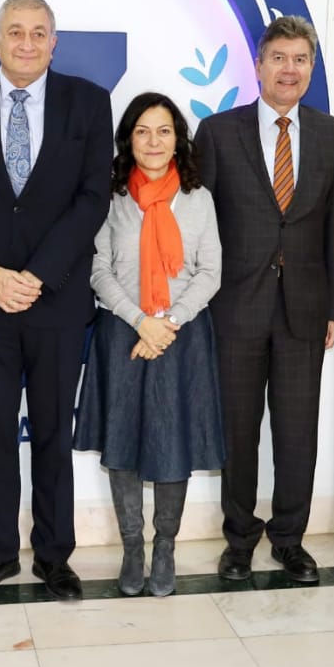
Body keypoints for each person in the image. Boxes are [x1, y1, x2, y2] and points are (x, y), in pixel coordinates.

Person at [0, 0, 112, 601]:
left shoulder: (88, 101)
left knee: (52, 435)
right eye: (15, 31)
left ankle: (55, 557)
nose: (27, 43)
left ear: (54, 43)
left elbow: (92, 198)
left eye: (39, 32)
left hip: (56, 300)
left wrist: (37, 274)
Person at [194, 15, 334, 584]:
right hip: (234, 306)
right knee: (238, 431)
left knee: (297, 431)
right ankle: (239, 540)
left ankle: (290, 539)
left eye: (300, 59)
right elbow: (201, 224)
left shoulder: (332, 134)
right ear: (258, 65)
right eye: (278, 58)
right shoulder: (217, 132)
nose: (289, 69)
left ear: (311, 68)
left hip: (305, 309)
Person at [73, 93, 225, 597]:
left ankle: (165, 548)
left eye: (163, 131)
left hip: (182, 335)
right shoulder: (111, 197)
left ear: (178, 139)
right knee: (122, 442)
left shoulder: (198, 198)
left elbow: (210, 272)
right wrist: (141, 321)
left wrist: (168, 323)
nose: (154, 141)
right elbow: (99, 269)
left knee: (172, 441)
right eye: (142, 131)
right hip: (123, 331)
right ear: (128, 140)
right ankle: (133, 549)